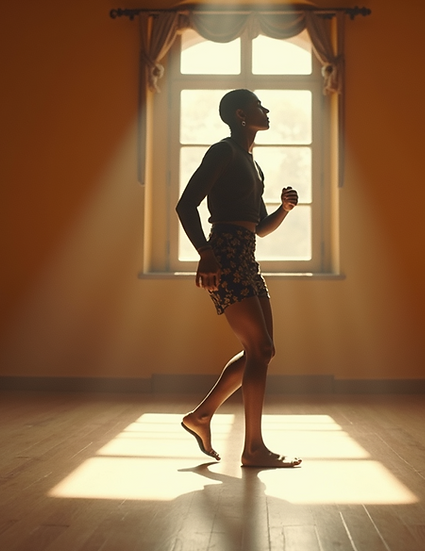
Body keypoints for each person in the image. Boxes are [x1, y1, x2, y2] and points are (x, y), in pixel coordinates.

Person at [176, 89, 302, 468]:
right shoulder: (224, 152)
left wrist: (284, 209)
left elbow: (260, 228)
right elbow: (186, 205)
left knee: (260, 350)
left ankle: (201, 417)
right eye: (260, 105)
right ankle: (252, 449)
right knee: (260, 349)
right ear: (240, 114)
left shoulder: (253, 164)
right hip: (226, 253)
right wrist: (206, 253)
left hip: (247, 253)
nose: (267, 110)